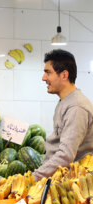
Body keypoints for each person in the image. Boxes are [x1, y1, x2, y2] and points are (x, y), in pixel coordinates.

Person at [33, 49, 93, 180]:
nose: (44, 78)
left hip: (72, 183)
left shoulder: (76, 107)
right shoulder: (66, 102)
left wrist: (35, 177)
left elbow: (66, 155)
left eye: (48, 73)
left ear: (64, 75)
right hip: (58, 178)